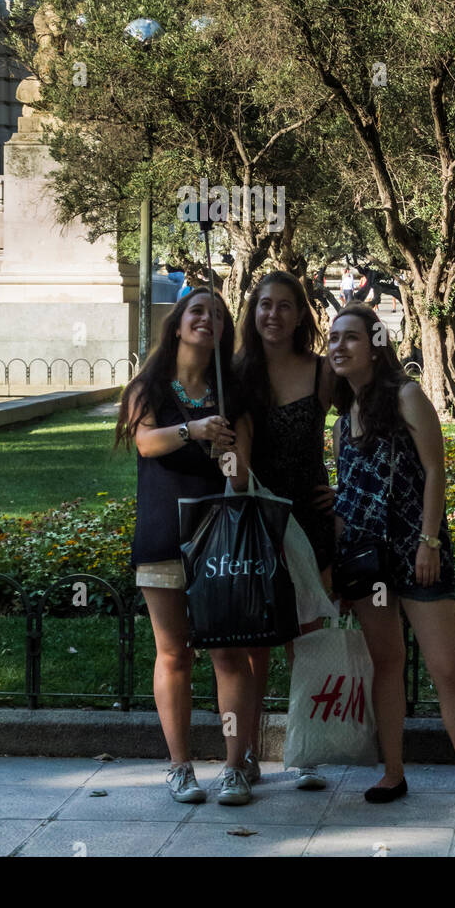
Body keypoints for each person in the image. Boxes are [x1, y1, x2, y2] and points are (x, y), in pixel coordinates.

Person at [328, 303, 455, 810]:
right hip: (365, 561)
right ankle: (392, 773)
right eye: (333, 338)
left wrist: (430, 541)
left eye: (350, 337)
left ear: (376, 346)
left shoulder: (407, 396)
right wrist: (334, 566)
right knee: (386, 664)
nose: (338, 346)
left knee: (445, 667)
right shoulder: (341, 418)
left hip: (416, 550)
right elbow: (346, 496)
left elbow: (435, 472)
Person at [116, 288, 256, 806]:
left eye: (218, 316)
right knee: (174, 653)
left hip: (219, 541)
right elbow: (147, 443)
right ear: (177, 324)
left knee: (227, 653)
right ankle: (179, 767)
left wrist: (228, 453)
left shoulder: (231, 393)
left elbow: (241, 479)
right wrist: (193, 430)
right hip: (161, 537)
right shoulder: (148, 388)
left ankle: (235, 766)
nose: (208, 320)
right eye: (198, 311)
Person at [233, 270, 336, 792]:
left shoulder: (322, 372)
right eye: (264, 305)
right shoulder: (239, 375)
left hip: (312, 521)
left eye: (284, 306)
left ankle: (306, 751)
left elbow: (366, 425)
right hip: (258, 522)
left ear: (300, 315)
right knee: (256, 649)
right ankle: (246, 755)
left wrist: (349, 491)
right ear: (254, 313)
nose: (272, 314)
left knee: (308, 641)